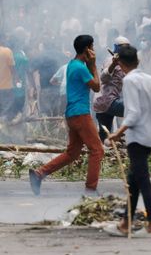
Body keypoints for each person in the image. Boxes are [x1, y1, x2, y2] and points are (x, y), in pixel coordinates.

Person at [104, 45, 151, 236]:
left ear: (120, 64)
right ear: (137, 60)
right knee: (133, 180)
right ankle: (126, 222)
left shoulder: (129, 81)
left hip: (137, 138)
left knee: (142, 181)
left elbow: (133, 113)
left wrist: (117, 133)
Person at [29, 35, 104, 196]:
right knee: (97, 150)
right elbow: (97, 87)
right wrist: (94, 65)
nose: (95, 51)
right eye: (93, 47)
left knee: (73, 153)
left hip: (71, 114)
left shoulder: (71, 64)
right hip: (81, 114)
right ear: (87, 50)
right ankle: (91, 189)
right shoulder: (81, 68)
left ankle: (39, 174)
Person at [94, 36, 129, 142]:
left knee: (105, 137)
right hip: (107, 100)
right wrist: (114, 64)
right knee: (135, 109)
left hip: (104, 103)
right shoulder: (110, 60)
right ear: (117, 48)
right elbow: (103, 78)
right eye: (123, 47)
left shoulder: (124, 62)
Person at [0, 37, 16, 120]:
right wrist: (17, 80)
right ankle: (3, 129)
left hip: (6, 87)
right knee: (5, 112)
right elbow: (12, 68)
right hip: (6, 87)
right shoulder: (7, 51)